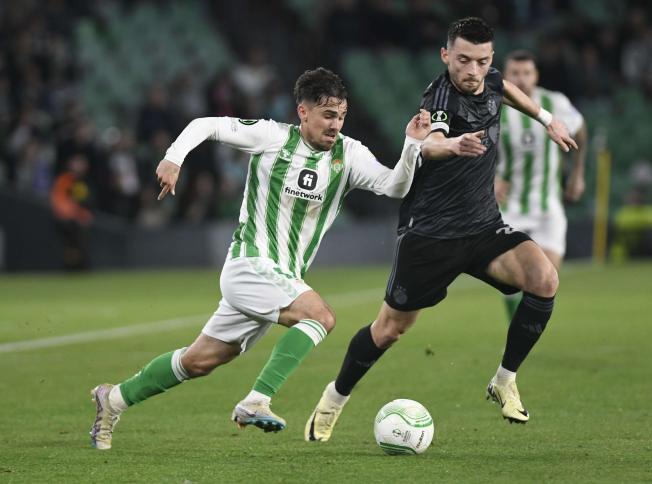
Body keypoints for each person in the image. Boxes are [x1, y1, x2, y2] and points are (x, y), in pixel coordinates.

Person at [89, 67, 431, 450]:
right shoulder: (271, 137)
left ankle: (113, 398)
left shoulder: (349, 154)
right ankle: (257, 400)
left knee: (199, 361)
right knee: (320, 316)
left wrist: (411, 145)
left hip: (281, 277)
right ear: (303, 112)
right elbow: (206, 124)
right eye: (328, 115)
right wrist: (174, 158)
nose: (336, 124)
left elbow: (394, 185)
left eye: (341, 116)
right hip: (249, 264)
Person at [305, 17, 579, 442]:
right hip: (430, 235)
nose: (472, 71)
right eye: (464, 60)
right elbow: (430, 141)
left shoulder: (489, 79)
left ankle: (504, 379)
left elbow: (504, 88)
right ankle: (333, 399)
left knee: (544, 279)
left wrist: (547, 119)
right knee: (389, 330)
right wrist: (452, 144)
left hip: (484, 226)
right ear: (445, 55)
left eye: (482, 61)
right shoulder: (439, 96)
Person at [495, 49, 588, 319]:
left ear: (536, 75)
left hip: (548, 208)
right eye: (515, 73)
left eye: (527, 73)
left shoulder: (554, 102)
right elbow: (475, 148)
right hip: (509, 208)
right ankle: (516, 339)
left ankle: (519, 337)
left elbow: (581, 130)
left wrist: (577, 173)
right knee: (513, 281)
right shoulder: (495, 106)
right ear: (505, 75)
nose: (521, 79)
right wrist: (490, 178)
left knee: (544, 282)